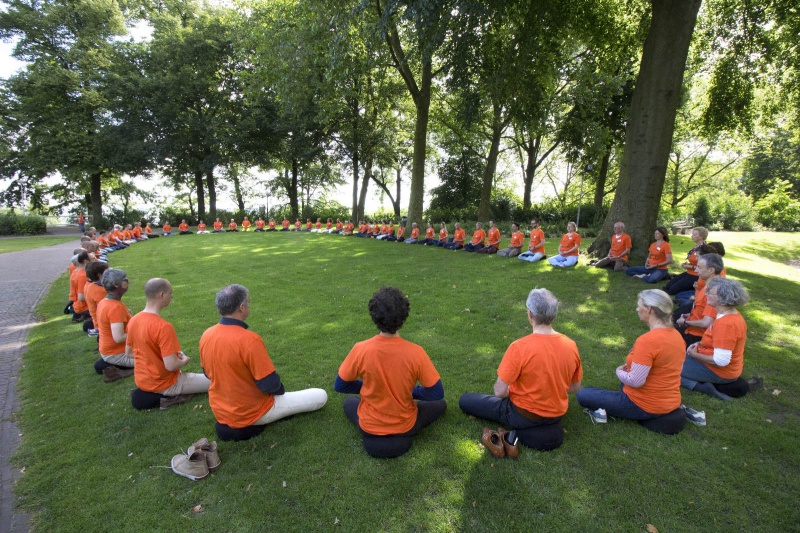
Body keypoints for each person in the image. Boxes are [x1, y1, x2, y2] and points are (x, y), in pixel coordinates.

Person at [459, 288, 582, 453]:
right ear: (553, 315)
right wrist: (551, 389)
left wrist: (519, 393)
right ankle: (537, 433)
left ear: (530, 315)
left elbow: (499, 392)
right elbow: (575, 386)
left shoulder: (519, 347)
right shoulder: (571, 345)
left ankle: (514, 432)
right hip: (556, 413)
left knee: (466, 400)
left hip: (522, 414)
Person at [199, 284, 327, 441]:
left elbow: (207, 373)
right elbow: (270, 385)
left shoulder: (206, 335)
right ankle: (260, 420)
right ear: (241, 307)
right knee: (321, 396)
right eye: (248, 302)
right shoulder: (249, 340)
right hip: (251, 411)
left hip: (221, 410)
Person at [335, 287, 446, 458]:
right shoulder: (416, 353)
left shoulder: (360, 349)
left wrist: (367, 388)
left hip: (370, 424)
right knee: (441, 405)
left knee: (349, 402)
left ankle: (373, 426)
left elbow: (341, 384)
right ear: (404, 316)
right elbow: (436, 393)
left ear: (374, 316)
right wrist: (411, 391)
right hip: (404, 424)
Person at [577, 290, 686, 428]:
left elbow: (636, 381)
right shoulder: (676, 336)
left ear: (649, 309)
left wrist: (619, 371)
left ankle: (640, 413)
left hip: (645, 404)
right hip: (671, 400)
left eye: (638, 306)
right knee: (621, 385)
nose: (636, 309)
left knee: (583, 394)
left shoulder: (647, 341)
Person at [127, 278, 210, 410]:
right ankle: (170, 396)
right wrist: (184, 360)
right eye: (170, 293)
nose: (171, 296)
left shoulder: (133, 320)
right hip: (166, 383)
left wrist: (154, 358)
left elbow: (129, 352)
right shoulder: (163, 327)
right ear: (161, 295)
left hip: (142, 381)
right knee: (216, 382)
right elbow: (171, 366)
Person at [681, 278, 752, 400]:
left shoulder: (727, 324)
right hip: (711, 363)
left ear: (723, 298)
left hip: (718, 371)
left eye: (710, 293)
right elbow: (716, 341)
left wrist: (694, 354)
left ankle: (701, 387)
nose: (706, 294)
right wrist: (699, 344)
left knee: (666, 369)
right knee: (668, 360)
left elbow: (721, 361)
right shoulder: (726, 315)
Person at [95, 269, 135, 382]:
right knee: (157, 361)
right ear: (117, 285)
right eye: (124, 280)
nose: (127, 281)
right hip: (118, 353)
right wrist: (140, 331)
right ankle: (119, 372)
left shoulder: (105, 301)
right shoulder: (115, 307)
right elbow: (119, 337)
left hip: (109, 351)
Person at [675, 253, 723, 346]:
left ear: (711, 270)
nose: (696, 270)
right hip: (691, 330)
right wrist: (690, 315)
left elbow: (706, 323)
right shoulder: (706, 287)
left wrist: (685, 322)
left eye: (699, 267)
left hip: (697, 337)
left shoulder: (713, 293)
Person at [665, 227, 708, 295]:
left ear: (701, 237)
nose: (692, 236)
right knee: (667, 287)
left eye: (694, 235)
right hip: (689, 272)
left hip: (696, 275)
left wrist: (689, 266)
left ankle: (694, 290)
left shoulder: (705, 249)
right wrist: (687, 264)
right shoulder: (695, 247)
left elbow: (705, 266)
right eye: (692, 234)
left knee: (671, 291)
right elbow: (693, 260)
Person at [84, 261, 110, 337]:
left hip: (98, 322)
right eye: (107, 272)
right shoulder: (100, 291)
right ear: (100, 275)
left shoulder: (91, 286)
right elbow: (107, 310)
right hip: (103, 324)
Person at [69, 252, 91, 323]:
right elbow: (81, 297)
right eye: (92, 259)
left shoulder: (76, 272)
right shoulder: (82, 276)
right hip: (83, 307)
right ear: (86, 261)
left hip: (78, 305)